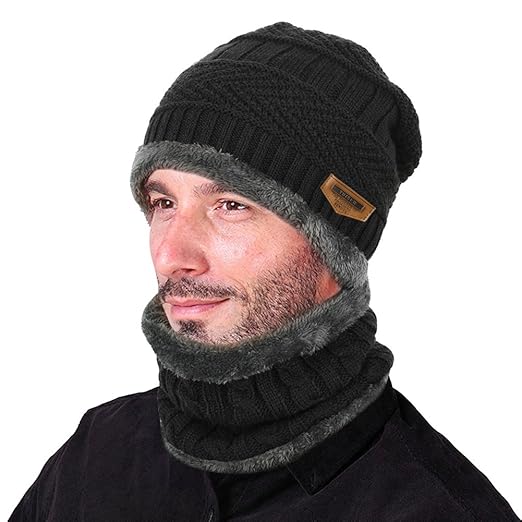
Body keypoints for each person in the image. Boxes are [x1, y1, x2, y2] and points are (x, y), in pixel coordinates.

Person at [9, 21, 519, 521]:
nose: (170, 256)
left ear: (334, 246)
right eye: (164, 202)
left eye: (230, 205)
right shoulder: (95, 455)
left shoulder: (433, 507)